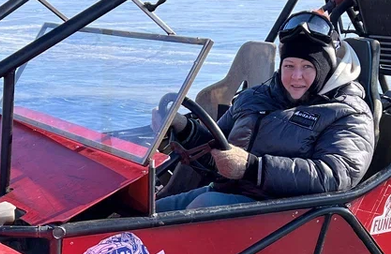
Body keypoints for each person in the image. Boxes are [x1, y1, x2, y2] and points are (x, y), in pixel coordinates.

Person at [155, 11, 376, 211]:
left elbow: (336, 175)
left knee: (202, 207)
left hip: (283, 213)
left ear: (325, 69)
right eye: (289, 66)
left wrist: (253, 168)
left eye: (307, 67)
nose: (296, 76)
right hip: (228, 192)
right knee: (148, 212)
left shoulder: (349, 113)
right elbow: (216, 147)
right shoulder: (256, 97)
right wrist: (184, 129)